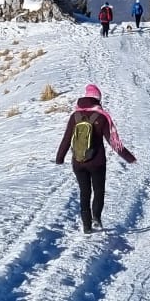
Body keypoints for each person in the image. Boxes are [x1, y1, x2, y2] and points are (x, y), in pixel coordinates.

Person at [54, 82, 136, 233]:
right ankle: (96, 217)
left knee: (84, 192)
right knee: (98, 191)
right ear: (98, 99)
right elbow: (114, 143)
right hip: (97, 162)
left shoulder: (75, 116)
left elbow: (66, 139)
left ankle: (86, 226)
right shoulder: (102, 117)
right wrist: (129, 158)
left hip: (78, 162)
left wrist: (60, 158)